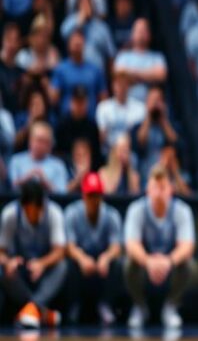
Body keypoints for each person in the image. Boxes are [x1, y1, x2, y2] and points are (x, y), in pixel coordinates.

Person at [124, 165, 196, 329]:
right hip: (145, 265)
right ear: (147, 190)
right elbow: (131, 245)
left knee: (189, 264)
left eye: (163, 187)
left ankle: (171, 307)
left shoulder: (182, 210)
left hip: (169, 265)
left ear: (171, 190)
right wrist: (148, 261)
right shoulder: (137, 209)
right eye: (155, 187)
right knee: (128, 263)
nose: (158, 193)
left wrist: (168, 261)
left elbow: (187, 246)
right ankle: (140, 306)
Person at [0, 179, 66, 328]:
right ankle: (41, 312)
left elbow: (60, 251)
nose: (34, 215)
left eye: (37, 209)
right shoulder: (10, 214)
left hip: (43, 271)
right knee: (4, 270)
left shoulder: (54, 212)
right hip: (20, 271)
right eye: (30, 210)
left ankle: (31, 309)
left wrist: (42, 263)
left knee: (62, 266)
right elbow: (1, 253)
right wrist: (8, 262)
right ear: (23, 206)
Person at [64, 173, 122, 325]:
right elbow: (69, 247)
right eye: (90, 195)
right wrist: (82, 258)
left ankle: (105, 304)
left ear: (101, 196)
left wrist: (106, 257)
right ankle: (74, 306)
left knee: (118, 263)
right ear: (83, 195)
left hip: (101, 264)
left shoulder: (111, 214)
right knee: (68, 264)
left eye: (96, 195)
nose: (93, 200)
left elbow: (116, 246)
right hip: (82, 262)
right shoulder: (72, 212)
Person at [114, 18, 167, 103]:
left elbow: (161, 75)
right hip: (127, 105)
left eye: (144, 30)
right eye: (138, 31)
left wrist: (132, 74)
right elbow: (119, 74)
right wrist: (148, 75)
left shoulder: (157, 57)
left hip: (150, 105)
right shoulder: (123, 56)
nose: (141, 34)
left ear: (149, 35)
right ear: (132, 34)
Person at [8, 121, 69, 193]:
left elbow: (62, 193)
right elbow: (12, 189)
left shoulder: (58, 165)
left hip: (49, 202)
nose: (42, 145)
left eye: (46, 141)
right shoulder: (16, 160)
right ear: (30, 140)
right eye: (39, 140)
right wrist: (28, 178)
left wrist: (45, 182)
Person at [95, 71, 146, 151]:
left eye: (124, 84)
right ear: (113, 86)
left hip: (131, 152)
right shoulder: (103, 107)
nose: (121, 88)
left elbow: (140, 140)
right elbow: (101, 138)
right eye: (118, 84)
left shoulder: (140, 108)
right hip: (109, 152)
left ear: (129, 87)